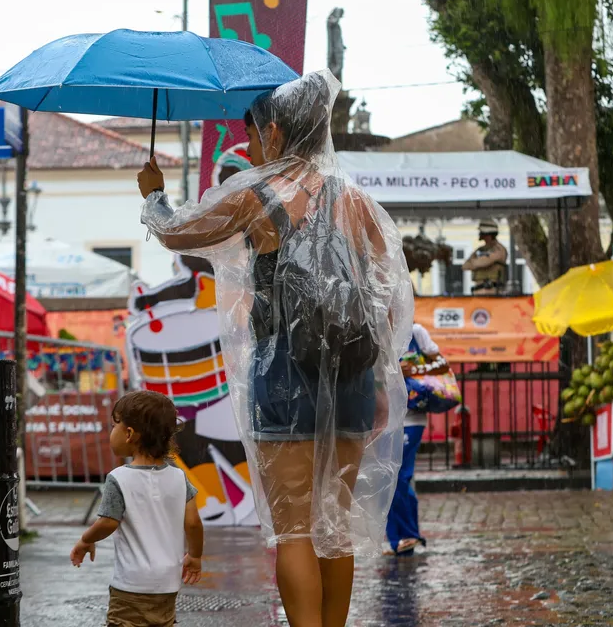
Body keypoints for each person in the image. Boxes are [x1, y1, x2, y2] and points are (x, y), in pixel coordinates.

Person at [135, 70, 412, 627]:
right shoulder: (356, 201)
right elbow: (386, 299)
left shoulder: (259, 195)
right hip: (354, 376)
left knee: (294, 530)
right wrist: (380, 381)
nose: (252, 148)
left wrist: (154, 195)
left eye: (255, 137)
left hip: (285, 372)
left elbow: (178, 232)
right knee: (334, 527)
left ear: (278, 134)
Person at [70, 390, 204, 627]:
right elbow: (193, 523)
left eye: (114, 425)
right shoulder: (179, 477)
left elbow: (108, 522)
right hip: (168, 583)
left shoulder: (118, 478)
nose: (111, 432)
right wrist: (194, 556)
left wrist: (85, 540)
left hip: (131, 584)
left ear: (129, 434)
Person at [385, 323, 449, 556]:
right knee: (388, 478)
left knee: (399, 476)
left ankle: (408, 535)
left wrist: (416, 369)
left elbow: (442, 365)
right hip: (384, 416)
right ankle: (397, 540)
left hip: (412, 418)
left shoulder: (416, 332)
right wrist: (392, 368)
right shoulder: (376, 330)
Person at [462, 220, 508, 296]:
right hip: (478, 290)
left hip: (492, 291)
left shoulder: (499, 249)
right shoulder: (480, 249)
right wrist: (479, 262)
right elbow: (465, 266)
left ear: (488, 234)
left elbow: (484, 263)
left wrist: (474, 263)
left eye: (482, 232)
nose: (480, 234)